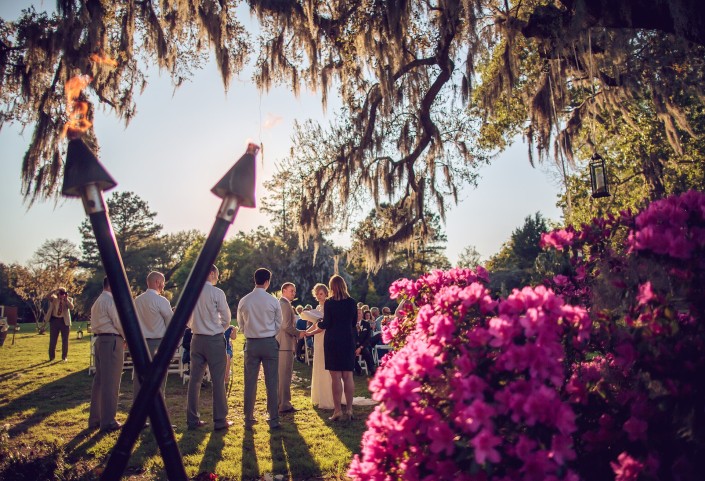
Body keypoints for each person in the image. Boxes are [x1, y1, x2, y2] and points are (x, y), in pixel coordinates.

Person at [186, 265, 232, 431]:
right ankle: (220, 420)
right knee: (218, 380)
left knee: (194, 380)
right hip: (213, 340)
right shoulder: (216, 292)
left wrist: (195, 326)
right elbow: (227, 318)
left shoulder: (192, 291)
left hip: (196, 339)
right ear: (211, 273)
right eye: (217, 275)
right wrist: (219, 327)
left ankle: (192, 420)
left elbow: (187, 318)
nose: (217, 278)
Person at [237, 268, 282, 430]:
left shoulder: (244, 300)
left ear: (254, 280)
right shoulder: (273, 301)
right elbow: (279, 323)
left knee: (250, 382)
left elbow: (241, 324)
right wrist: (269, 333)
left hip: (251, 343)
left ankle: (248, 417)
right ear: (267, 282)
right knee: (271, 381)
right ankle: (273, 418)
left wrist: (251, 332)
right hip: (269, 342)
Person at [317, 275, 357, 421]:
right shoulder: (352, 302)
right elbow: (353, 323)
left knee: (336, 377)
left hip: (333, 340)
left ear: (331, 287)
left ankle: (338, 410)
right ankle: (350, 409)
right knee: (348, 375)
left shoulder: (329, 303)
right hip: (348, 339)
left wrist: (319, 322)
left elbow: (326, 323)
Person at [88, 277, 125, 432]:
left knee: (100, 381)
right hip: (111, 341)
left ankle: (95, 418)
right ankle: (108, 420)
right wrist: (127, 337)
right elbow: (119, 322)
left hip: (100, 340)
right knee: (111, 382)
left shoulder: (98, 301)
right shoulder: (110, 302)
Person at [133, 271, 173, 401]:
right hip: (157, 344)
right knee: (158, 381)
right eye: (163, 283)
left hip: (140, 345)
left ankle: (139, 416)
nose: (163, 286)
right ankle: (156, 418)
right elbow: (170, 323)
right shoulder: (161, 301)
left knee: (140, 381)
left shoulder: (137, 301)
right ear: (157, 282)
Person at [304, 283, 336, 410]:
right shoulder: (317, 308)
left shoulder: (329, 306)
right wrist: (306, 331)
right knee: (318, 363)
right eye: (316, 294)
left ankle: (328, 397)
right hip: (317, 337)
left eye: (321, 293)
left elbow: (323, 325)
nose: (318, 296)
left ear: (326, 294)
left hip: (325, 337)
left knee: (325, 364)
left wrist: (310, 332)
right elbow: (316, 324)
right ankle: (319, 395)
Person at [276, 282, 305, 413]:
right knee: (285, 376)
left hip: (282, 344)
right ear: (284, 291)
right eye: (291, 291)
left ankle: (280, 402)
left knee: (282, 376)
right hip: (285, 344)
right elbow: (285, 326)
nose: (294, 293)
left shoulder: (282, 304)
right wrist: (298, 333)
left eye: (294, 291)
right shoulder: (285, 305)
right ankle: (284, 404)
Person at [45, 287, 74, 361]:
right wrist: (54, 290)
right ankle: (51, 357)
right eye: (60, 293)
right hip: (54, 321)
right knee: (53, 340)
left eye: (63, 293)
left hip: (64, 321)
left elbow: (71, 307)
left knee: (65, 341)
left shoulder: (69, 299)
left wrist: (66, 299)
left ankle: (64, 357)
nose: (61, 295)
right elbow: (47, 296)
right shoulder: (54, 299)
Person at [355, 310, 376, 376]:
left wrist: (361, 347)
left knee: (366, 352)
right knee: (349, 353)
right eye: (357, 313)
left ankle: (372, 370)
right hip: (354, 345)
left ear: (362, 315)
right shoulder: (351, 324)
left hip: (363, 345)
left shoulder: (366, 324)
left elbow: (368, 338)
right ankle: (358, 369)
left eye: (359, 313)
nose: (358, 314)